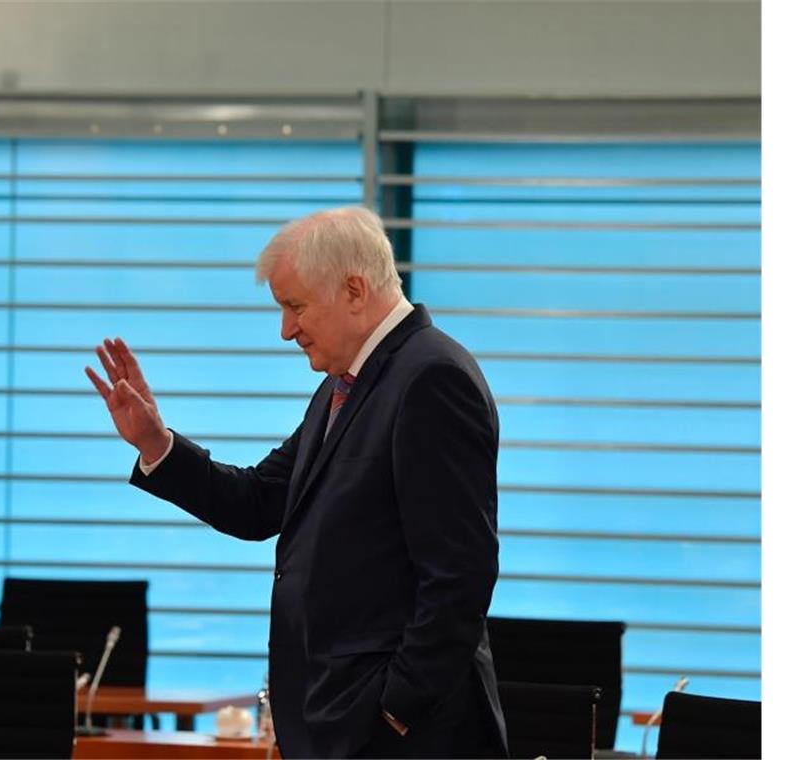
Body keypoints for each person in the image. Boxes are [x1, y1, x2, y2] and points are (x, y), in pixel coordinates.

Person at [85, 206, 507, 758]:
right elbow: (260, 501)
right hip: (339, 725)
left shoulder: (431, 377)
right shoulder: (347, 384)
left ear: (354, 289)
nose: (286, 330)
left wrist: (393, 709)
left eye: (295, 306)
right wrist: (155, 444)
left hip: (401, 737)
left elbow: (460, 575)